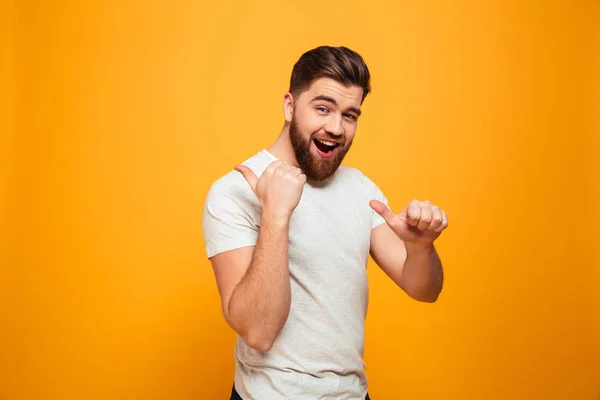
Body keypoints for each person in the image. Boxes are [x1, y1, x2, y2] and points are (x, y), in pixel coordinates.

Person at [202, 45, 448, 400]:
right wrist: (275, 214)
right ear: (290, 106)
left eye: (350, 115)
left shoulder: (361, 188)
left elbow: (424, 289)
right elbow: (258, 332)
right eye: (322, 109)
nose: (335, 128)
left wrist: (421, 247)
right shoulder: (234, 192)